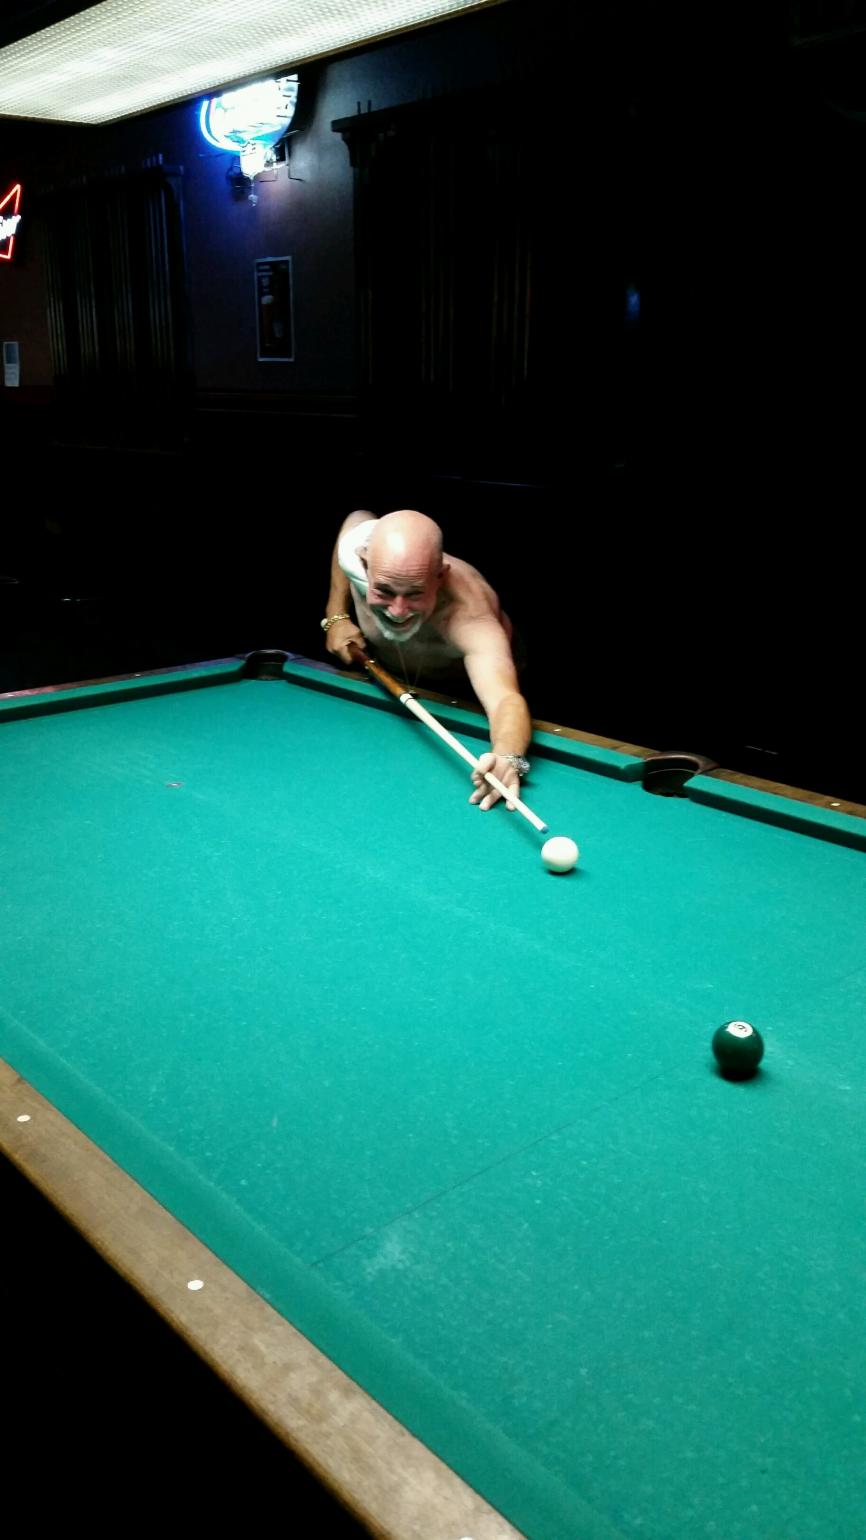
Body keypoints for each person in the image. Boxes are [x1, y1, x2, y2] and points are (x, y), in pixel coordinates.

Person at [321, 509, 531, 811]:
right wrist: (336, 616)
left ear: (440, 576)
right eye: (384, 591)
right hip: (399, 673)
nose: (398, 610)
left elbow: (504, 699)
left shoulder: (469, 614)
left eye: (415, 594)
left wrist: (507, 756)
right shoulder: (356, 551)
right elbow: (356, 518)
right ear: (364, 562)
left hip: (462, 687)